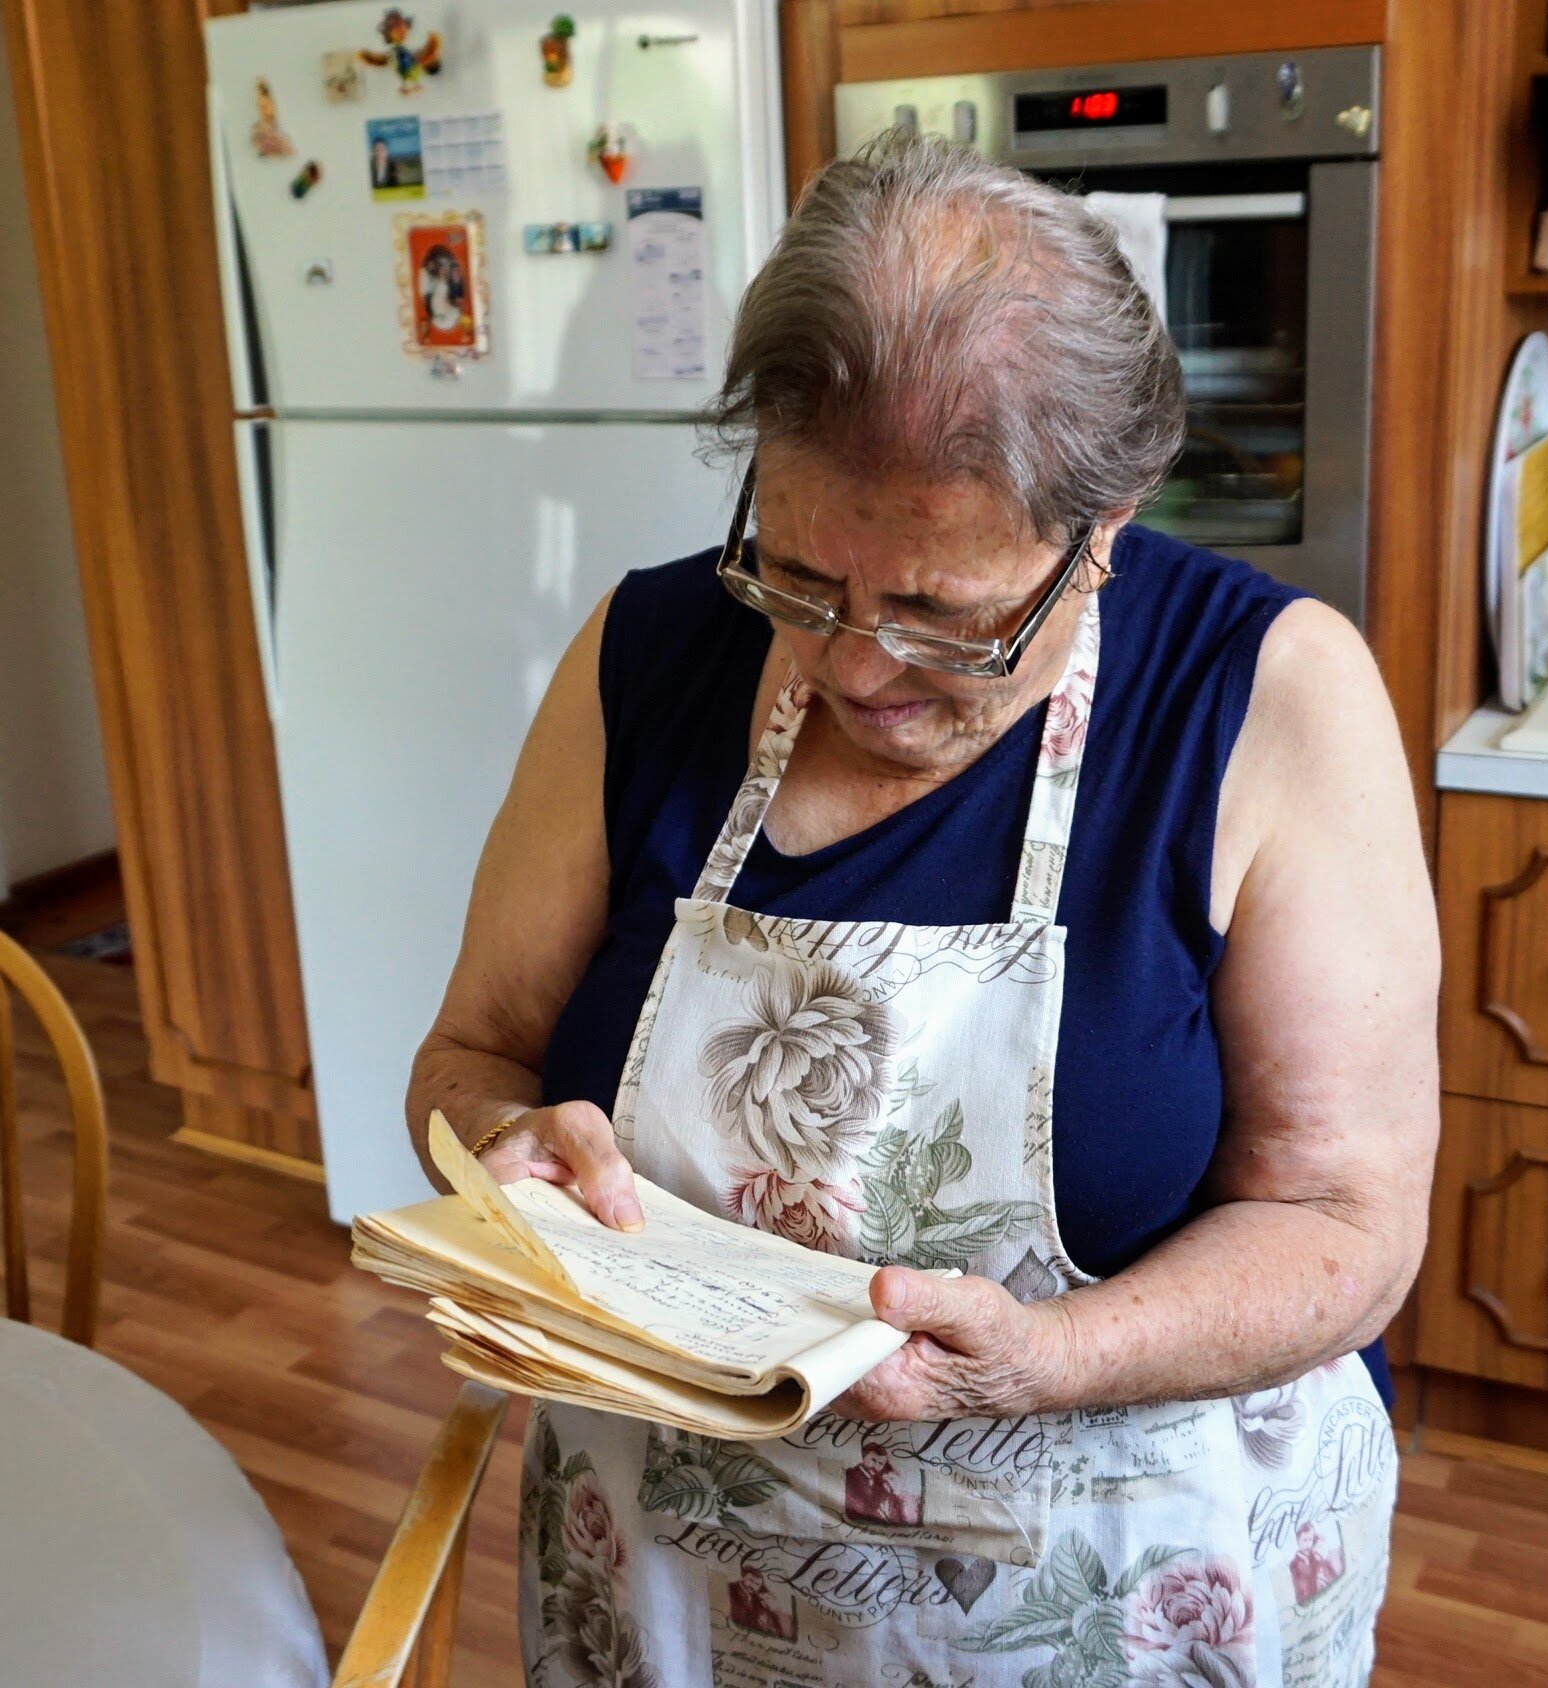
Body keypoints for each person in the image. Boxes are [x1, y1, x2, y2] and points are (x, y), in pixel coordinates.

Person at [408, 129, 1437, 1687]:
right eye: (804, 580)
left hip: (1115, 1595)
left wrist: (1051, 1359)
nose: (854, 667)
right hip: (672, 1597)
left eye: (943, 618)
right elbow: (472, 1048)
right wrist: (503, 1153)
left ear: (1110, 524)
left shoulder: (1265, 699)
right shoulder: (645, 651)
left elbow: (1349, 1222)